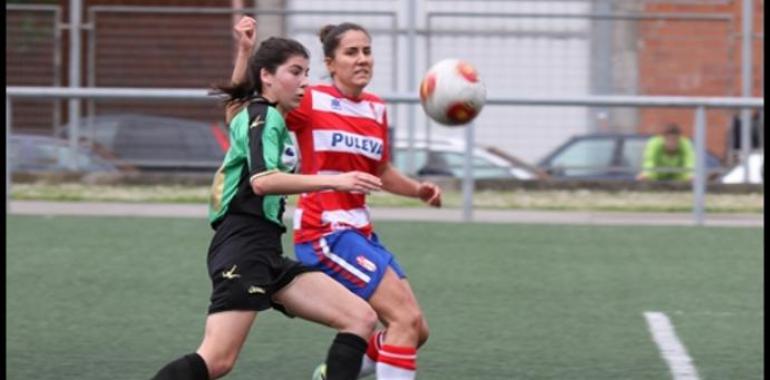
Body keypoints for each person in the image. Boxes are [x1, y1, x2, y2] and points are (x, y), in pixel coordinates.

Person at [151, 34, 385, 380]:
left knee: (359, 317)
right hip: (243, 246)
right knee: (217, 360)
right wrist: (336, 179)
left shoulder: (254, 115)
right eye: (295, 72)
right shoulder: (267, 117)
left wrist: (245, 51)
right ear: (268, 76)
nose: (304, 82)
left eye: (306, 72)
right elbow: (263, 180)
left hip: (265, 250)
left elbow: (233, 109)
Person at [230, 18, 441, 380]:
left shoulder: (376, 108)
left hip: (361, 232)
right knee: (404, 320)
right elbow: (244, 114)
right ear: (330, 64)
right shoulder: (311, 100)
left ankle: (335, 372)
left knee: (415, 330)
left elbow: (382, 170)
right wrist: (244, 51)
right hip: (325, 232)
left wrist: (417, 190)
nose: (362, 59)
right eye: (351, 52)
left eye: (367, 51)